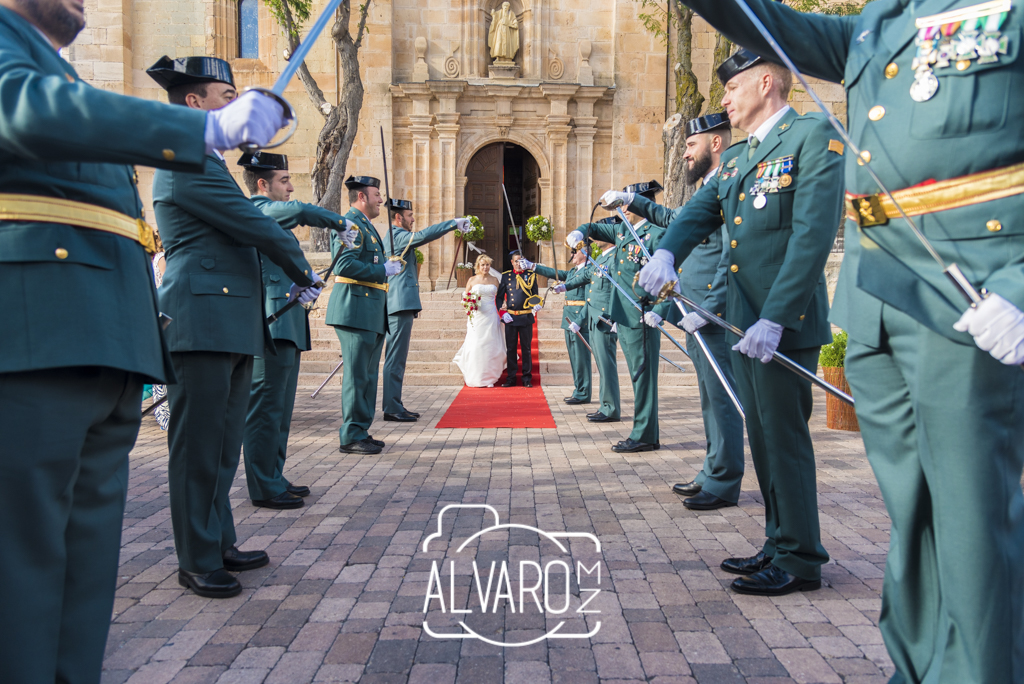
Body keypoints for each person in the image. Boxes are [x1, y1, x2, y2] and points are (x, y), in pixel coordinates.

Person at [648, 1, 1024, 680]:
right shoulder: (879, 25)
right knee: (913, 518)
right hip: (879, 305)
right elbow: (759, 18)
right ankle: (915, 668)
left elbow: (809, 233)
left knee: (971, 518)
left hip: (966, 301)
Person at [0, 0, 286, 672]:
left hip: (103, 342)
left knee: (82, 582)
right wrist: (203, 127)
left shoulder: (64, 78)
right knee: (21, 579)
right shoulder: (27, 72)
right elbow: (23, 108)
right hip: (33, 334)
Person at [637, 49, 842, 595]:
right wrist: (665, 253)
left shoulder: (811, 136)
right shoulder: (739, 157)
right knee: (764, 438)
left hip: (781, 323)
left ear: (767, 83)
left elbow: (811, 237)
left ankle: (801, 558)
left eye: (732, 89)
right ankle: (779, 541)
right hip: (744, 323)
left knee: (785, 438)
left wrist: (776, 317)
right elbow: (698, 212)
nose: (724, 99)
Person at [150, 56, 322, 600]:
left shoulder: (209, 162)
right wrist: (304, 270)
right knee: (198, 446)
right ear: (194, 103)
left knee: (223, 446)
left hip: (225, 317)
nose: (237, 105)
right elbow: (253, 223)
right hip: (201, 318)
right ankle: (197, 558)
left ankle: (218, 541)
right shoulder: (187, 159)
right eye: (226, 95)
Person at [605, 113, 744, 512]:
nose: (684, 153)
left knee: (722, 398)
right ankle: (712, 467)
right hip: (693, 311)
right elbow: (677, 220)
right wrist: (634, 202)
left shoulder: (730, 183)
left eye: (690, 144)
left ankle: (724, 478)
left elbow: (731, 254)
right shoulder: (708, 187)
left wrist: (712, 305)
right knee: (708, 397)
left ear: (715, 143)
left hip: (713, 313)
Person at [239, 151, 358, 510]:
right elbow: (301, 211)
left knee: (280, 408)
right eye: (284, 180)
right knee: (265, 409)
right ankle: (262, 484)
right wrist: (338, 222)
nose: (291, 188)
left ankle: (273, 474)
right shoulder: (258, 208)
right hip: (271, 321)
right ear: (263, 184)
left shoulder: (275, 216)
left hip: (288, 319)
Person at [565, 183, 673, 452]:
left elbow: (672, 272)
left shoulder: (656, 231)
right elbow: (593, 228)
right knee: (638, 376)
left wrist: (660, 311)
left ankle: (645, 435)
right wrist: (579, 231)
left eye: (626, 203)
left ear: (641, 203)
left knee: (643, 375)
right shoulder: (623, 229)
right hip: (622, 313)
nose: (621, 208)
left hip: (642, 313)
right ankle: (643, 431)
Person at [325, 176, 402, 454]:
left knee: (367, 377)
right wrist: (382, 270)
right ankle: (350, 435)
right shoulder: (351, 224)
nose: (381, 200)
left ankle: (361, 429)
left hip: (368, 310)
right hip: (355, 309)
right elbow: (343, 266)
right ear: (362, 197)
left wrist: (384, 265)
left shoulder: (366, 225)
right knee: (358, 377)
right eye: (377, 194)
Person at [382, 199, 468, 421]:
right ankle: (392, 407)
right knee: (395, 358)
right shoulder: (396, 236)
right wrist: (453, 224)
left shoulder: (395, 236)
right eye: (410, 215)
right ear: (398, 217)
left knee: (398, 358)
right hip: (398, 304)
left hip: (401, 303)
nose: (413, 220)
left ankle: (395, 403)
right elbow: (423, 236)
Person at [536, 249, 592, 404]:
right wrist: (534, 267)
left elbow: (589, 300)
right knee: (574, 359)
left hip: (579, 321)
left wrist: (580, 321)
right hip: (569, 319)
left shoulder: (588, 272)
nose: (572, 255)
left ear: (585, 252)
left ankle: (584, 392)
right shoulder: (573, 271)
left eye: (575, 252)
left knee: (581, 359)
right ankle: (579, 390)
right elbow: (553, 272)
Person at [453, 254, 507, 387]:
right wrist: (469, 306)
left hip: (491, 315)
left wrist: (504, 304)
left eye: (487, 265)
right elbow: (465, 298)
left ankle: (489, 378)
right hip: (477, 316)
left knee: (490, 345)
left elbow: (500, 297)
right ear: (478, 266)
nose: (485, 267)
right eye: (483, 265)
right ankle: (476, 376)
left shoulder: (495, 280)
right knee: (476, 344)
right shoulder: (472, 280)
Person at [497, 250, 544, 387]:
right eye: (516, 261)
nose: (518, 264)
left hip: (525, 317)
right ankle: (511, 378)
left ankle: (526, 378)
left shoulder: (530, 275)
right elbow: (499, 297)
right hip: (511, 317)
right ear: (512, 262)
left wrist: (537, 305)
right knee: (511, 348)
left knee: (526, 349)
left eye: (521, 261)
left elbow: (536, 295)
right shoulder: (506, 276)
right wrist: (502, 313)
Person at [150, 237, 170, 430]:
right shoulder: (163, 257)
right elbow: (166, 282)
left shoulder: (161, 257)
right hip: (164, 312)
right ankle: (164, 414)